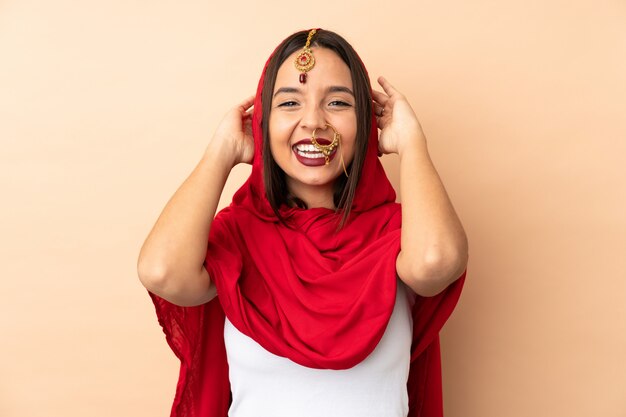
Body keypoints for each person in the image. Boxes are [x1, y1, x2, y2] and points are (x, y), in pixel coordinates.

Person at [137, 28, 468, 417]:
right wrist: (221, 152)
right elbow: (161, 272)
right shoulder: (237, 236)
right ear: (263, 121)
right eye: (290, 102)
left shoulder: (399, 235)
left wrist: (412, 142)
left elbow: (436, 262)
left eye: (338, 103)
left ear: (367, 122)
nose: (313, 122)